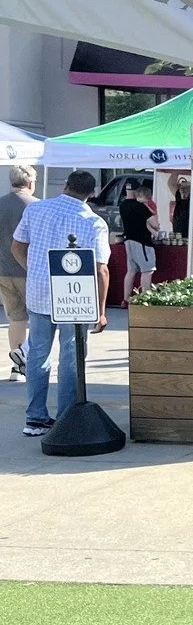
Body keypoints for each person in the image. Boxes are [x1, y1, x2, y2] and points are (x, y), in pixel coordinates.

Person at [11, 170, 110, 437]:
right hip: (76, 297)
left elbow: (17, 246)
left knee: (38, 354)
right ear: (92, 193)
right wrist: (101, 311)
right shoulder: (94, 222)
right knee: (71, 357)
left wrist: (33, 269)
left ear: (66, 185)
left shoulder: (36, 210)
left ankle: (35, 418)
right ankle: (66, 417)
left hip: (39, 290)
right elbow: (101, 269)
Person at [0, 167, 37, 380]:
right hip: (29, 269)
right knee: (38, 318)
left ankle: (17, 367)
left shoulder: (1, 203)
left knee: (15, 318)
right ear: (31, 183)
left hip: (3, 270)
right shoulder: (37, 206)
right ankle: (29, 362)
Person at [119, 180, 157, 304]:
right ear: (137, 191)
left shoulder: (123, 205)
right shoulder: (140, 206)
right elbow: (155, 224)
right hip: (142, 242)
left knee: (131, 271)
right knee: (147, 271)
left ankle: (125, 300)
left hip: (128, 240)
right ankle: (145, 299)